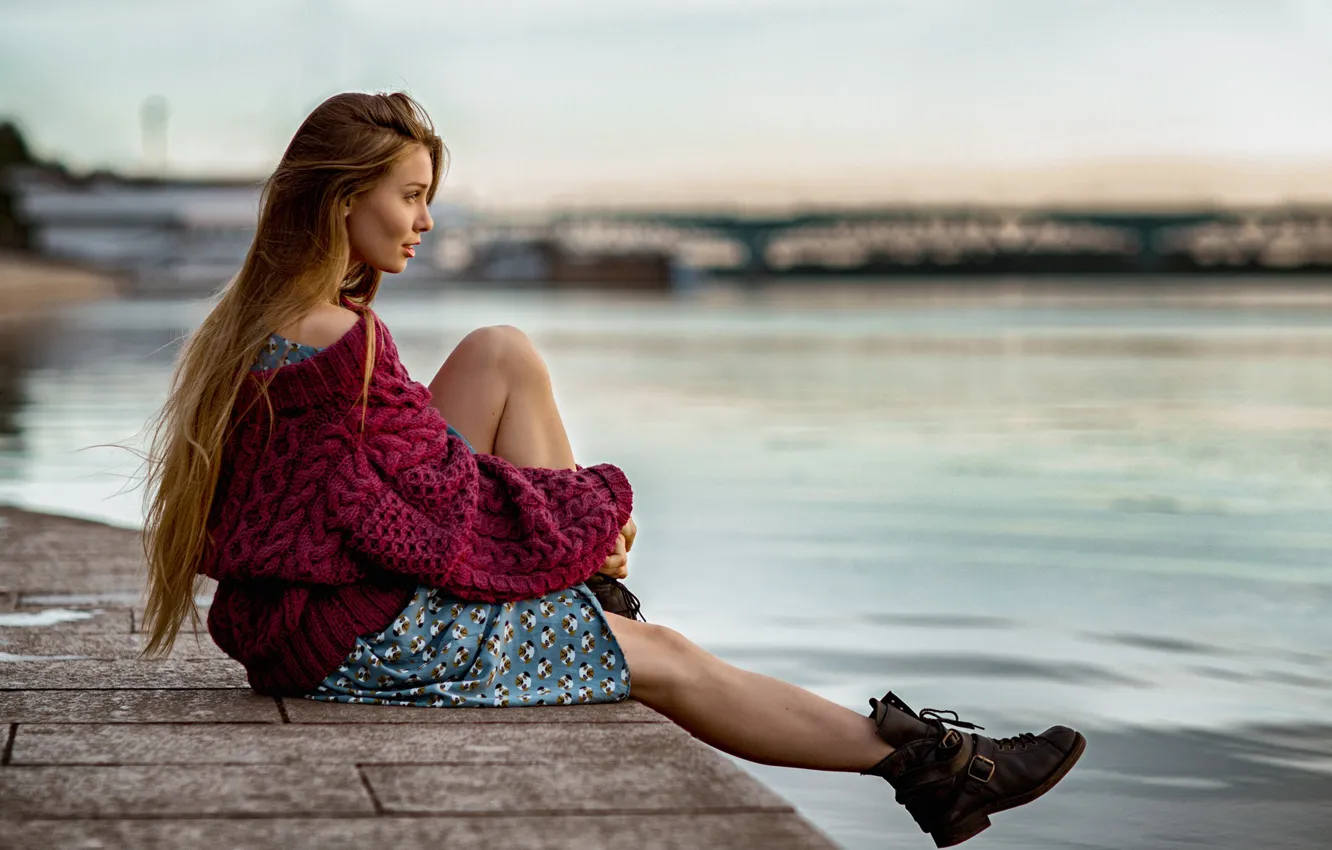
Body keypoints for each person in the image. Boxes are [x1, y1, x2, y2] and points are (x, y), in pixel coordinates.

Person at [138, 91, 1084, 848]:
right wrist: (591, 514)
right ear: (344, 198)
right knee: (670, 660)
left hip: (298, 620)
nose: (424, 220)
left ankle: (594, 603)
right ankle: (941, 768)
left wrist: (571, 532)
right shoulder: (345, 344)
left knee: (502, 352)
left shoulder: (263, 318)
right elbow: (437, 507)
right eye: (410, 195)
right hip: (350, 639)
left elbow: (397, 490)